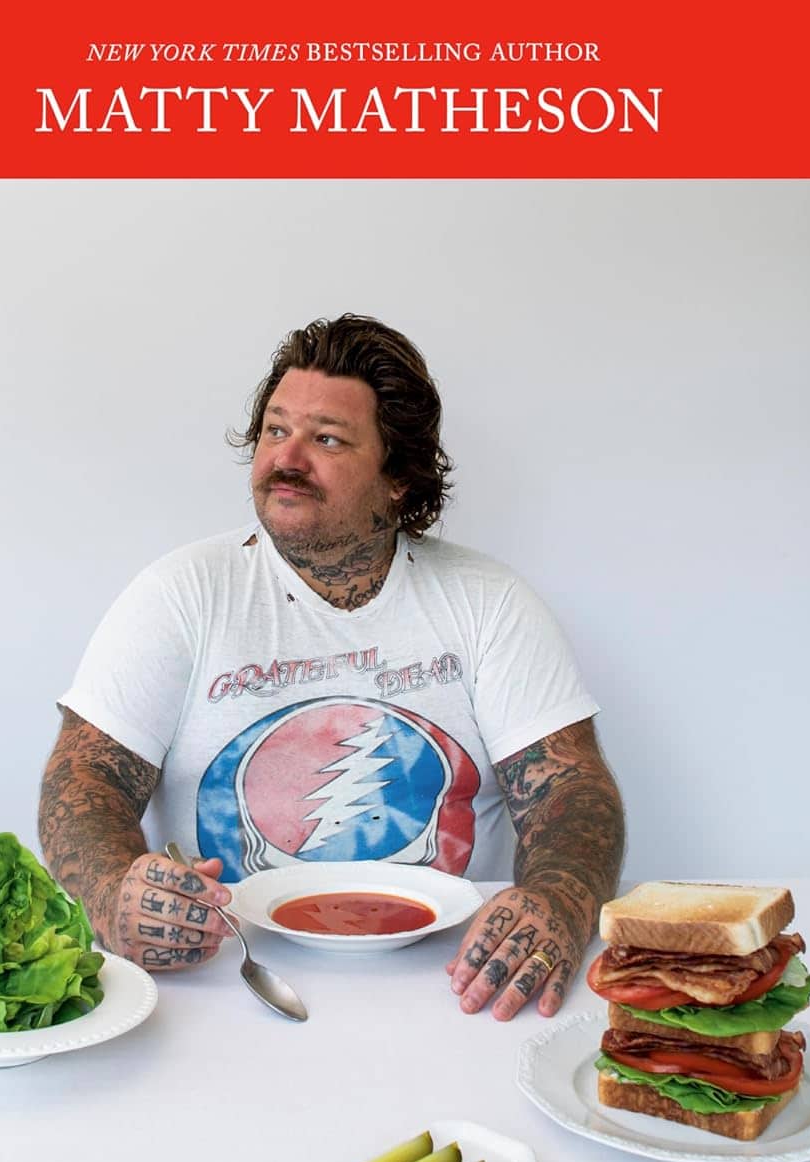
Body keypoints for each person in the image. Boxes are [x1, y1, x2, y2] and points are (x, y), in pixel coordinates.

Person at [38, 315, 624, 1020]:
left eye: (326, 439)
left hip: (458, 985)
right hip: (225, 981)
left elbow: (569, 788)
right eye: (276, 430)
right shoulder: (183, 592)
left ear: (399, 478)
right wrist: (109, 890)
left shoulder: (486, 603)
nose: (286, 458)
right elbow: (84, 776)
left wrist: (560, 899)